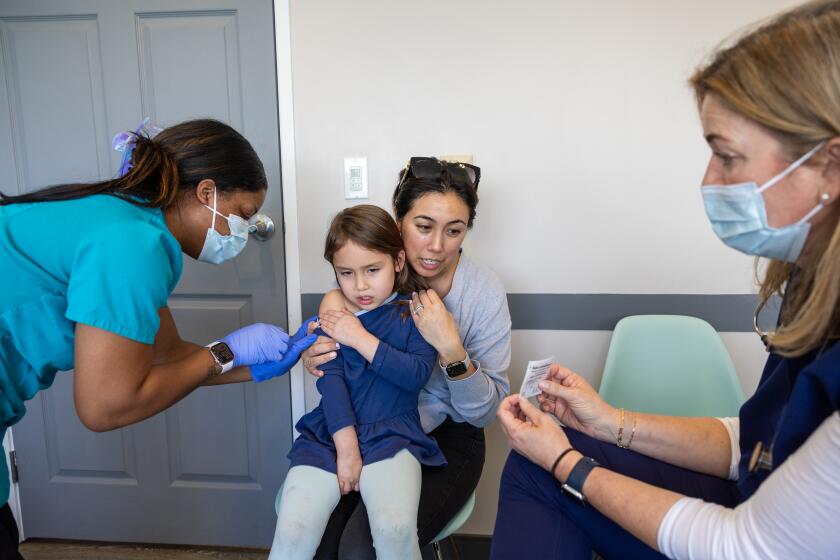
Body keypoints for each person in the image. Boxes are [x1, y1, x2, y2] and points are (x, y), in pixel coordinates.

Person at [491, 2, 840, 558]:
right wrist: (610, 424)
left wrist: (567, 463)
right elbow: (755, 444)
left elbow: (748, 547)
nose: (709, 181)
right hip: (760, 506)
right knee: (536, 464)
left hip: (758, 541)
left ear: (829, 163)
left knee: (547, 467)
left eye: (726, 156)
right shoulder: (814, 282)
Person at [0, 119, 315, 559]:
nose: (244, 230)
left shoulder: (132, 220)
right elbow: (104, 406)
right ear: (207, 193)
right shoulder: (131, 244)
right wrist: (227, 351)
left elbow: (167, 358)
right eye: (243, 215)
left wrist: (257, 366)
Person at [303, 158, 512, 558]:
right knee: (319, 542)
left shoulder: (482, 292)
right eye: (423, 227)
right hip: (368, 426)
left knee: (360, 549)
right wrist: (315, 355)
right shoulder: (367, 276)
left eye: (455, 230)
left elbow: (483, 413)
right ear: (398, 221)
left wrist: (451, 349)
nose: (437, 246)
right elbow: (332, 354)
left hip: (448, 435)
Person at [270, 205, 446, 560]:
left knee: (395, 528)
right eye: (346, 273)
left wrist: (358, 337)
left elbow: (414, 376)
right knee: (293, 529)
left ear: (398, 261)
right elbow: (330, 380)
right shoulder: (333, 312)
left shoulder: (417, 311)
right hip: (331, 433)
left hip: (393, 435)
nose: (360, 285)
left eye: (372, 270)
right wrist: (346, 445)